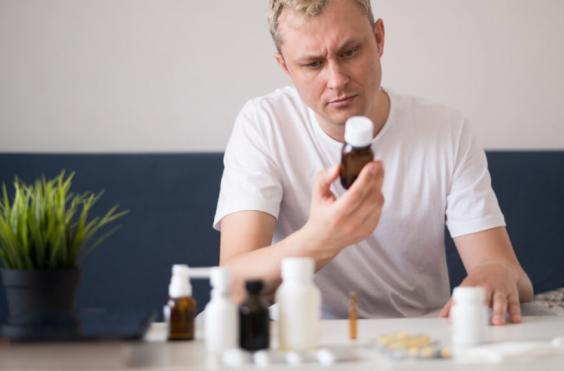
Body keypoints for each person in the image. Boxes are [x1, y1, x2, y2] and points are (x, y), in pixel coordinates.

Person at [213, 0, 533, 324]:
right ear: (285, 67)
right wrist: (324, 238)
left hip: (415, 342)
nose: (336, 81)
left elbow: (512, 276)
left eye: (350, 52)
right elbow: (233, 286)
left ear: (379, 38)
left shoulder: (446, 129)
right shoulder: (265, 124)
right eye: (312, 64)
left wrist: (497, 274)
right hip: (304, 340)